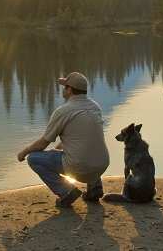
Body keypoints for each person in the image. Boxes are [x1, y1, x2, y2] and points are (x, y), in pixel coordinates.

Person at [17, 72, 110, 207]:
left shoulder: (63, 111)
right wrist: (64, 142)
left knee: (34, 158)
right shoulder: (95, 106)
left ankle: (66, 191)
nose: (63, 89)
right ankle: (95, 186)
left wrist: (24, 152)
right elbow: (85, 135)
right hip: (102, 165)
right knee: (89, 149)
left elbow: (43, 143)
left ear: (69, 90)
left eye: (65, 86)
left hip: (80, 166)